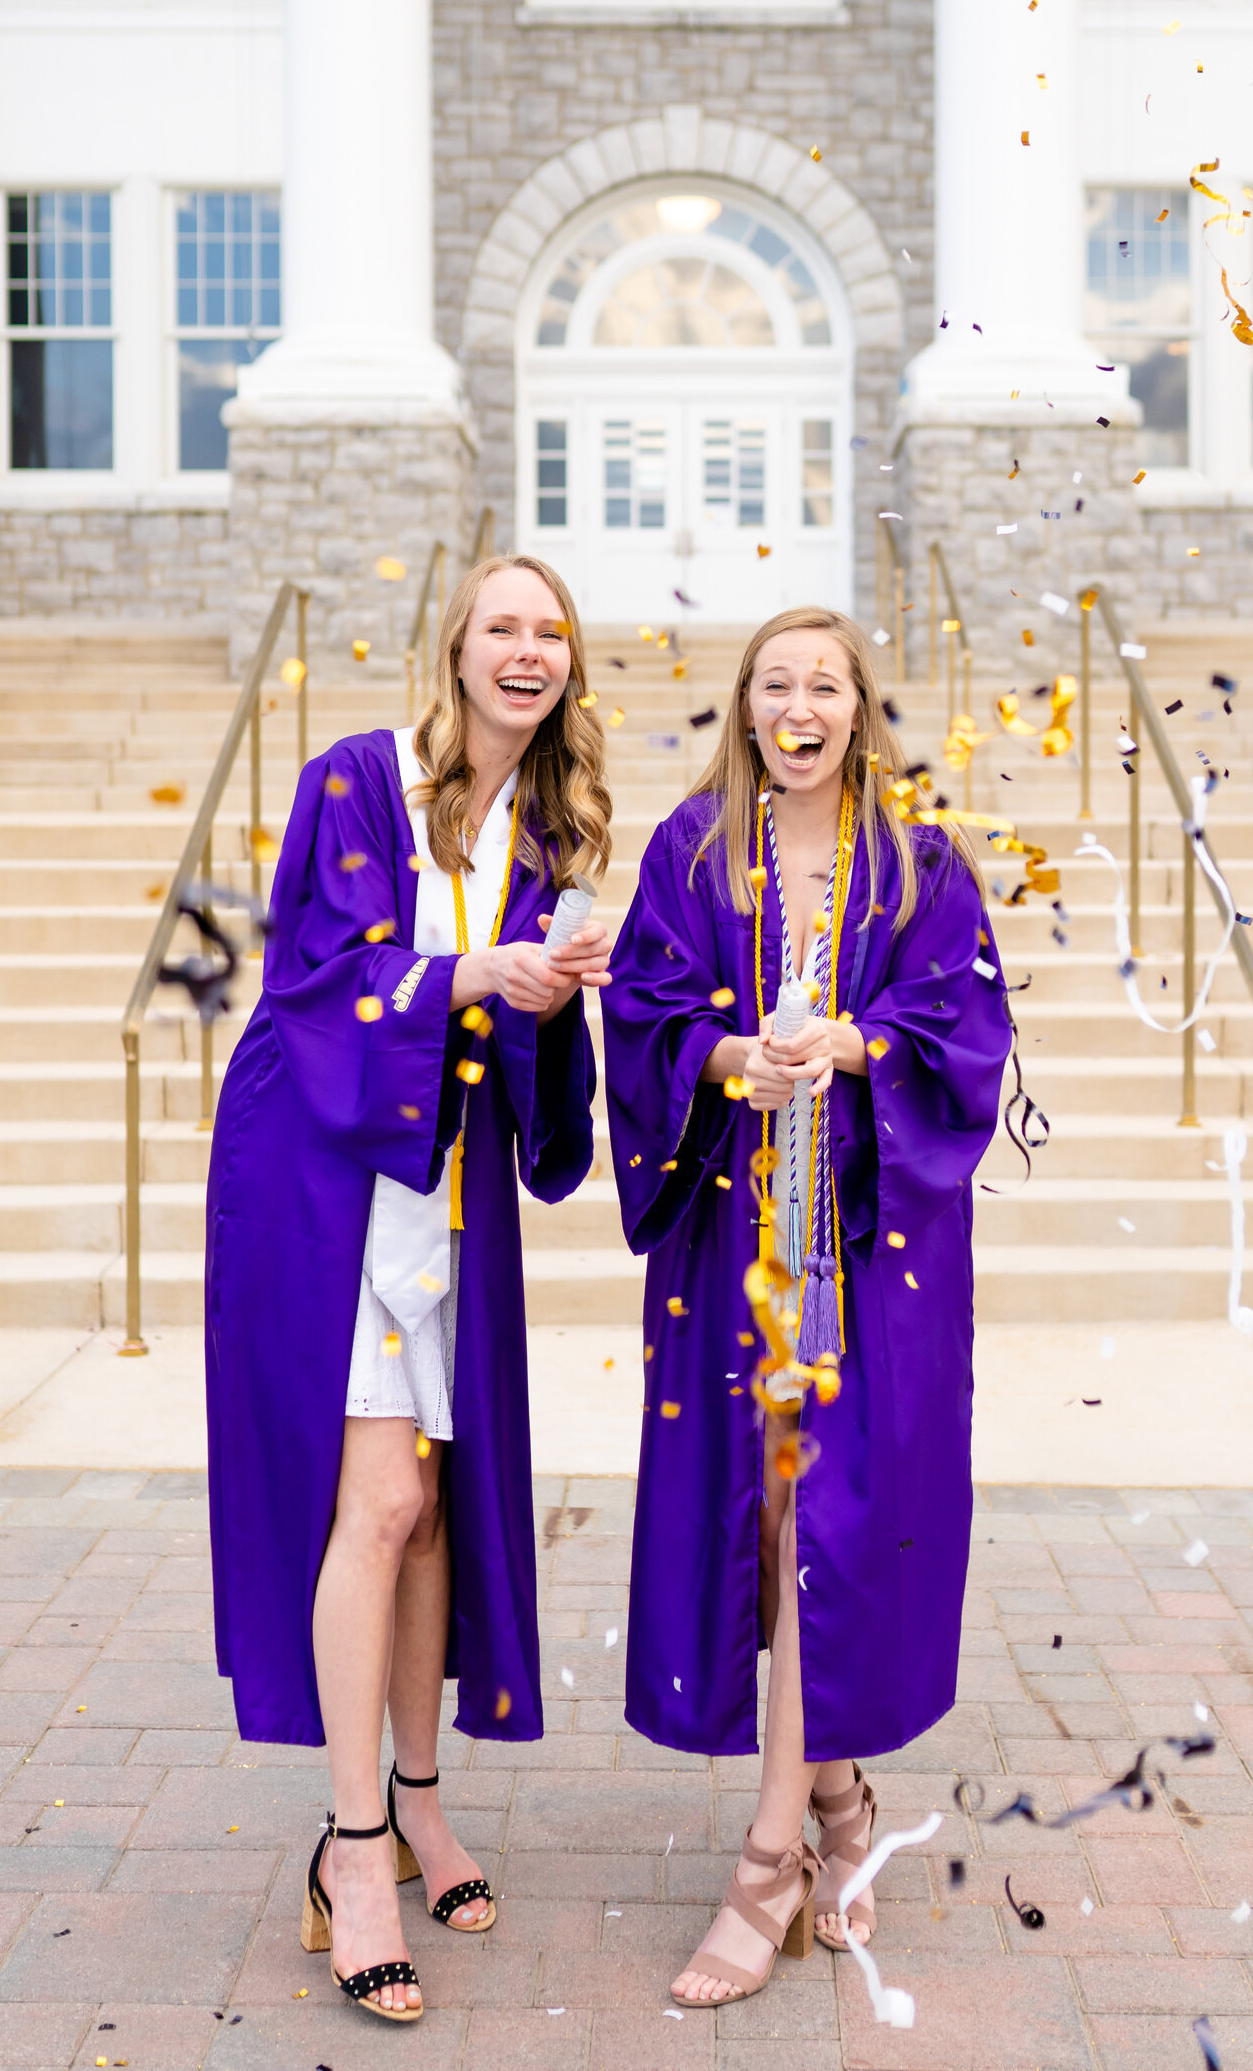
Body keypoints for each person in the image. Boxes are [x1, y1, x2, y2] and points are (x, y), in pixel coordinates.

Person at [205, 555, 613, 2024]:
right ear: (452, 646)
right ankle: (355, 1846)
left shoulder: (550, 835)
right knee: (375, 1504)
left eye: (550, 631)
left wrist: (558, 993)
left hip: (444, 1198)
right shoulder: (354, 777)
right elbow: (318, 983)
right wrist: (478, 976)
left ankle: (421, 1802)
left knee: (431, 1509)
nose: (526, 649)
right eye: (501, 625)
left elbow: (534, 1078)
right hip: (323, 1182)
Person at [602, 607, 1010, 2009]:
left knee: (822, 1507)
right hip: (733, 1242)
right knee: (774, 1509)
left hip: (871, 1254)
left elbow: (968, 1032)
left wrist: (861, 1043)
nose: (798, 700)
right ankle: (836, 1804)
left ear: (859, 707)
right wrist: (723, 1059)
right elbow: (645, 1018)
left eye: (823, 681)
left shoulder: (922, 861)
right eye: (774, 680)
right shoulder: (690, 850)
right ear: (745, 705)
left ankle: (768, 1859)